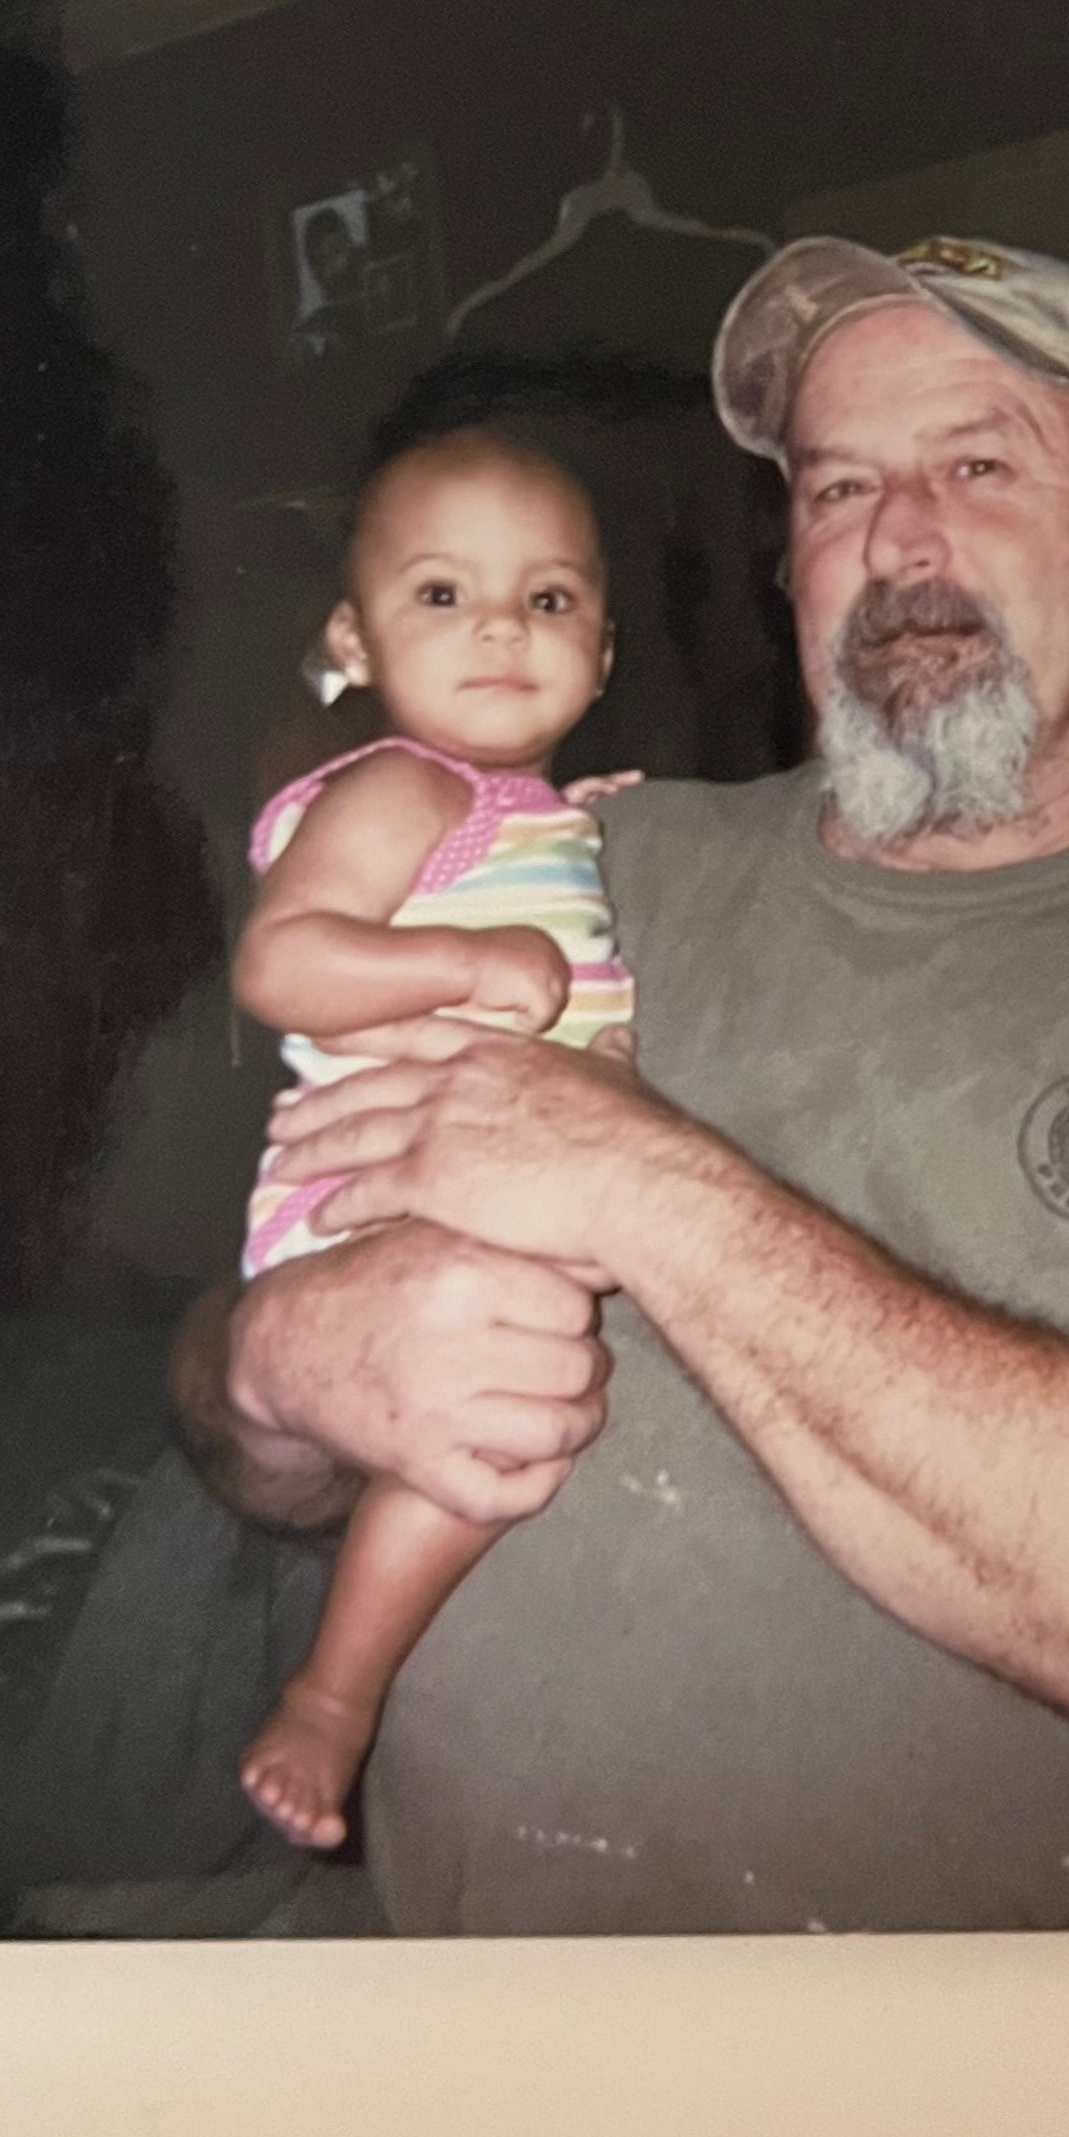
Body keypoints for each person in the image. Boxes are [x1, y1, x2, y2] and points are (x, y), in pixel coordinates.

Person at [166, 234, 1069, 1933]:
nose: (898, 540)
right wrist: (285, 1367)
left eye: (977, 463)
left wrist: (634, 1180)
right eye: (833, 488)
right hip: (475, 2043)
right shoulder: (581, 862)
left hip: (979, 2128)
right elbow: (230, 1389)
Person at [229, 433, 639, 1846]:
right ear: (354, 637)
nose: (501, 635)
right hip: (370, 1198)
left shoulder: (529, 815)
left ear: (603, 642)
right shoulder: (398, 792)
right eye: (443, 596)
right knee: (498, 1430)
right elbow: (282, 966)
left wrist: (580, 839)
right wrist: (471, 971)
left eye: (547, 600)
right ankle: (337, 1699)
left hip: (480, 1199)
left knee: (518, 1410)